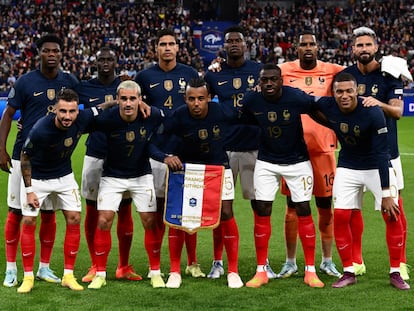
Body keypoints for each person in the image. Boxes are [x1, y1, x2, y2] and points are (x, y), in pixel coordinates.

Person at [310, 72, 409, 290]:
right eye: (339, 91)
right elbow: (305, 103)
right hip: (348, 166)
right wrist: (331, 124)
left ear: (357, 91)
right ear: (333, 93)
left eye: (349, 91)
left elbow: (382, 154)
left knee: (392, 214)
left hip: (376, 166)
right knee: (342, 216)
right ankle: (349, 271)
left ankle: (395, 271)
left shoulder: (372, 112)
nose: (344, 95)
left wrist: (385, 195)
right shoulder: (328, 105)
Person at [0, 33, 79, 288]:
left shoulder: (69, 81)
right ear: (39, 53)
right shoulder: (25, 82)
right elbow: (8, 116)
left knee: (48, 214)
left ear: (61, 53)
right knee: (16, 213)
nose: (52, 54)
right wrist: (1, 149)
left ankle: (44, 267)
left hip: (55, 162)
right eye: (47, 50)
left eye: (56, 50)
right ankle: (11, 269)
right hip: (24, 158)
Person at [149, 77, 243, 289]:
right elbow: (152, 142)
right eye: (191, 99)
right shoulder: (178, 116)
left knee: (226, 213)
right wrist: (165, 156)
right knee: (178, 216)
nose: (196, 103)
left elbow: (248, 119)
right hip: (186, 170)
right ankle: (174, 271)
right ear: (185, 98)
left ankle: (233, 271)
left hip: (218, 167)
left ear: (209, 98)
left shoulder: (222, 112)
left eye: (201, 98)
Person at [17, 88, 114, 293]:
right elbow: (25, 157)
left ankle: (68, 275)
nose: (67, 117)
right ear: (55, 110)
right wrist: (30, 191)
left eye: (71, 111)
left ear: (77, 111)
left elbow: (101, 108)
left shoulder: (83, 117)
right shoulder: (41, 129)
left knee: (74, 218)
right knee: (28, 220)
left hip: (64, 176)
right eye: (63, 111)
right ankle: (27, 277)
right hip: (38, 178)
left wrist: (119, 101)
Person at [240, 63, 323, 288]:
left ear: (281, 80)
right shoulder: (251, 100)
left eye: (272, 79)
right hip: (267, 161)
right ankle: (261, 271)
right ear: (259, 82)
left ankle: (310, 271)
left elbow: (318, 108)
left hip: (297, 162)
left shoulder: (295, 97)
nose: (268, 83)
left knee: (304, 209)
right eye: (264, 80)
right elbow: (243, 118)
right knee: (262, 209)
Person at [204, 25, 276, 279]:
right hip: (223, 150)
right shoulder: (213, 74)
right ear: (224, 46)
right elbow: (201, 102)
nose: (234, 44)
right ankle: (217, 261)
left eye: (238, 40)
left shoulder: (259, 71)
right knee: (220, 209)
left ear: (246, 45)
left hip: (255, 147)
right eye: (229, 41)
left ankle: (263, 262)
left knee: (260, 206)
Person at [135, 28, 204, 280]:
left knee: (189, 209)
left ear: (177, 48)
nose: (166, 47)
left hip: (188, 150)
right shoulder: (144, 76)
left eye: (171, 43)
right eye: (162, 43)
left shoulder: (189, 73)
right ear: (156, 49)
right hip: (156, 151)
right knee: (158, 210)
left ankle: (192, 262)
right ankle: (157, 265)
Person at [342, 26, 409, 279]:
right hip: (354, 156)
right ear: (352, 50)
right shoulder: (346, 76)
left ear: (376, 48)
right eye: (359, 45)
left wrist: (376, 103)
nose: (364, 49)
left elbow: (398, 112)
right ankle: (357, 261)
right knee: (351, 210)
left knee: (394, 209)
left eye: (368, 45)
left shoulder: (389, 76)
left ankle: (400, 263)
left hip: (386, 154)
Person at [276, 31, 343, 278]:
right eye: (303, 44)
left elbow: (359, 72)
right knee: (293, 206)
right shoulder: (283, 71)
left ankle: (326, 260)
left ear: (318, 48)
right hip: (292, 150)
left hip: (324, 150)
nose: (307, 48)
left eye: (311, 44)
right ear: (296, 48)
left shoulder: (333, 70)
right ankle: (291, 261)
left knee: (325, 206)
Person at [87, 80, 165, 289]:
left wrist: (166, 156)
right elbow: (82, 122)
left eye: (132, 98)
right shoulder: (107, 119)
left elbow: (170, 125)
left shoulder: (153, 115)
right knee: (103, 221)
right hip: (112, 176)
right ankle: (101, 274)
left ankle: (155, 272)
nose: (128, 103)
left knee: (150, 221)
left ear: (140, 100)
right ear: (117, 100)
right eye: (123, 99)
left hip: (141, 175)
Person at [76, 47, 139, 283]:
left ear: (116, 62)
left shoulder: (126, 88)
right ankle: (95, 264)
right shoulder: (84, 87)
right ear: (95, 62)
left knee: (124, 210)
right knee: (92, 211)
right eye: (101, 59)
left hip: (124, 156)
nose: (105, 63)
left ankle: (124, 265)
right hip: (95, 154)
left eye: (109, 59)